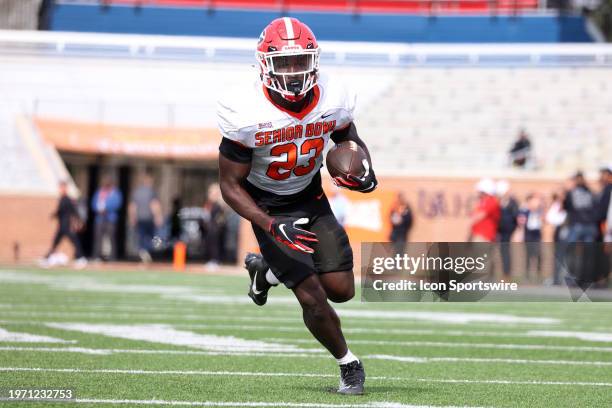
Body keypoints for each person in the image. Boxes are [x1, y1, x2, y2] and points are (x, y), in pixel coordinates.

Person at [217, 17, 377, 395]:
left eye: (300, 61)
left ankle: (265, 273)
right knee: (312, 295)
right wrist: (270, 225)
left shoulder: (333, 95)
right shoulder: (245, 108)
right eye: (284, 63)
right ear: (265, 65)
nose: (293, 72)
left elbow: (348, 139)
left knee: (341, 289)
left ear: (314, 61)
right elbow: (229, 185)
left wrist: (365, 169)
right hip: (268, 205)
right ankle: (348, 363)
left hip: (310, 194)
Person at [563, 171, 597, 286]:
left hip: (579, 225)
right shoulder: (589, 192)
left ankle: (576, 279)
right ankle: (582, 280)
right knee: (584, 254)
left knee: (573, 253)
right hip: (588, 225)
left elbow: (566, 207)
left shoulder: (574, 192)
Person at [42, 181, 86, 268]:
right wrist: (54, 215)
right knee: (55, 242)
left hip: (66, 226)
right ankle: (47, 258)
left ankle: (81, 258)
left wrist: (79, 221)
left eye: (62, 187)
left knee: (74, 241)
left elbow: (74, 211)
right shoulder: (62, 199)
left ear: (65, 188)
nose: (60, 189)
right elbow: (60, 212)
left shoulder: (67, 199)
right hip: (62, 225)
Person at [129, 173, 163, 263]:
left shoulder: (136, 192)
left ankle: (143, 250)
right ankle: (147, 251)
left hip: (139, 218)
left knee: (141, 236)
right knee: (150, 236)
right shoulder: (151, 192)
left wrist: (132, 217)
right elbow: (154, 204)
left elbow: (133, 206)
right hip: (148, 218)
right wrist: (158, 216)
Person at [91, 175, 123, 261]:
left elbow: (117, 203)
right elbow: (93, 203)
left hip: (110, 218)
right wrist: (98, 209)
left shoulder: (115, 192)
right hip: (100, 218)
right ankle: (97, 256)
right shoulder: (99, 192)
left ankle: (113, 257)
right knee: (98, 237)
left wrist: (107, 208)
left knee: (111, 237)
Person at [496, 180, 519, 278]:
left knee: (505, 251)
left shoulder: (512, 202)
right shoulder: (498, 202)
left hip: (507, 231)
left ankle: (507, 274)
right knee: (499, 252)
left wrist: (515, 230)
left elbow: (516, 217)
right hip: (498, 231)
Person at [518, 194, 544, 281]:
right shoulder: (525, 211)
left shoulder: (539, 211)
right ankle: (527, 275)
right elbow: (521, 223)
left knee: (538, 255)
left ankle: (539, 274)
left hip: (536, 235)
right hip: (528, 235)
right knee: (528, 255)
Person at [546, 191, 568, 285]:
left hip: (568, 232)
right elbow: (550, 218)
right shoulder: (556, 205)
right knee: (558, 257)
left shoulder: (569, 207)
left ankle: (565, 279)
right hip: (559, 233)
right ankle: (557, 279)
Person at [470, 178, 501, 242]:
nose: (478, 193)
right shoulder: (483, 201)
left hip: (485, 236)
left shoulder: (491, 201)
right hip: (479, 234)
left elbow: (478, 216)